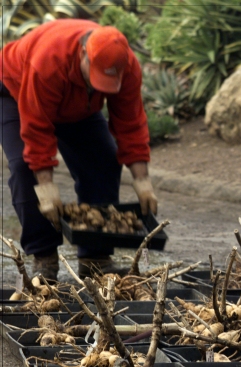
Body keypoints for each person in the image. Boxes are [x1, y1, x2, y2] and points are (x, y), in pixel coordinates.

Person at [0, 19, 158, 280]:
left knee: (104, 160)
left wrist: (143, 182)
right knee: (25, 168)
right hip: (18, 93)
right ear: (84, 54)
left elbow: (130, 123)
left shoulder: (126, 65)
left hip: (79, 104)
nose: (100, 85)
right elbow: (37, 131)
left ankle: (96, 259)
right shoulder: (47, 61)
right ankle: (44, 258)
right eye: (96, 76)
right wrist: (47, 190)